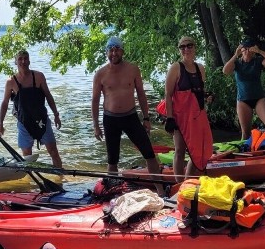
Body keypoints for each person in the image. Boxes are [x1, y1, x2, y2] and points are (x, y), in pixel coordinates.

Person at [91, 36, 163, 194]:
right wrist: (96, 125)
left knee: (149, 154)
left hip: (131, 117)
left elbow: (141, 94)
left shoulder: (133, 69)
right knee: (112, 160)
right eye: (110, 49)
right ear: (106, 52)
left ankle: (161, 191)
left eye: (117, 49)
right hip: (110, 119)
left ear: (122, 51)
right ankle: (112, 193)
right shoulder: (100, 74)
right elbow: (95, 101)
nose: (114, 52)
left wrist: (146, 118)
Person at [0, 50, 63, 168]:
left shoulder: (38, 76)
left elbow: (48, 95)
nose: (23, 61)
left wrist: (56, 115)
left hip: (42, 120)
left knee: (53, 151)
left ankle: (60, 178)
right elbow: (4, 103)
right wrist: (0, 124)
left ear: (29, 61)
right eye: (20, 59)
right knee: (27, 157)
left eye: (25, 58)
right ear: (16, 62)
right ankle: (31, 184)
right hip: (24, 123)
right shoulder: (11, 81)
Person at [163, 36, 214, 179]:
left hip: (197, 116)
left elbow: (198, 92)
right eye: (182, 47)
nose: (186, 49)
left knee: (198, 152)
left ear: (195, 47)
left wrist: (207, 96)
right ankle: (179, 183)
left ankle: (187, 180)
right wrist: (169, 118)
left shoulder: (201, 68)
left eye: (189, 45)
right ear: (179, 50)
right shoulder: (176, 68)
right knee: (180, 150)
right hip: (179, 117)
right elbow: (168, 94)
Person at [222, 37, 265, 140]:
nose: (247, 51)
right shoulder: (237, 63)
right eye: (245, 48)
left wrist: (259, 51)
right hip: (243, 101)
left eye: (250, 48)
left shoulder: (258, 61)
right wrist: (236, 55)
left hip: (259, 98)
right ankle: (245, 153)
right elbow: (225, 71)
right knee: (246, 133)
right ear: (241, 50)